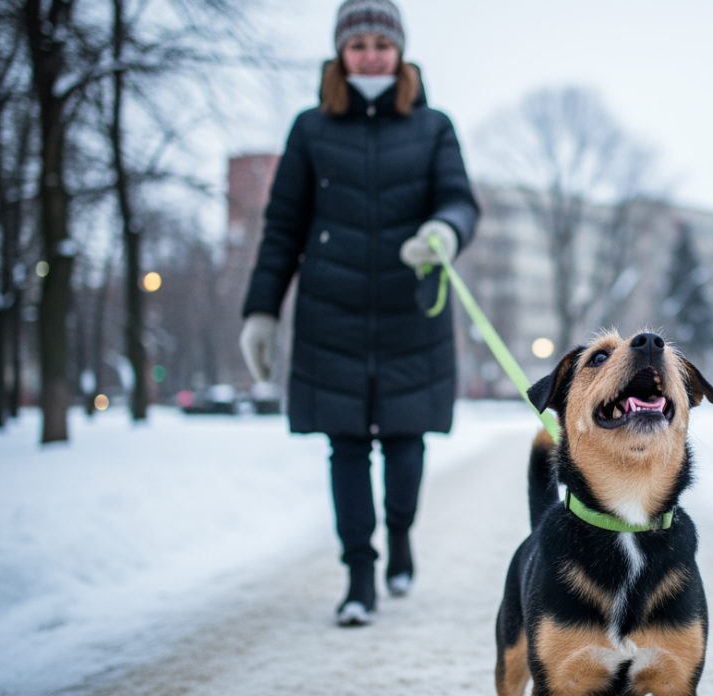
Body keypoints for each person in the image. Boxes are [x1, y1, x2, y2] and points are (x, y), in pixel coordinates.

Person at [238, 0, 477, 627]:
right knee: (346, 448)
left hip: (411, 312)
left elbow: (458, 200)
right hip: (330, 315)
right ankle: (359, 576)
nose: (370, 53)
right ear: (339, 53)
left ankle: (400, 535)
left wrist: (443, 234)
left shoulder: (433, 127)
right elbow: (282, 227)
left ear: (400, 51)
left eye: (381, 42)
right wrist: (261, 311)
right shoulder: (311, 129)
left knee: (404, 445)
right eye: (358, 43)